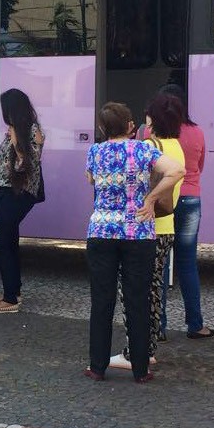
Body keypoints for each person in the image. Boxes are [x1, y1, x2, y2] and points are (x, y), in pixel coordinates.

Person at [83, 102, 182, 383]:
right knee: (137, 298)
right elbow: (175, 171)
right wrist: (150, 199)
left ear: (102, 128)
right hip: (138, 233)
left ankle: (97, 366)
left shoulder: (95, 151)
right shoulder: (143, 149)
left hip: (101, 231)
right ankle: (140, 369)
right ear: (130, 126)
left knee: (101, 300)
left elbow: (90, 180)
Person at [112, 92, 185, 370]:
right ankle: (148, 348)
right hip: (167, 228)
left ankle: (135, 352)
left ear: (152, 118)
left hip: (146, 226)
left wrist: (149, 199)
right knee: (153, 289)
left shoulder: (149, 146)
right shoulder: (176, 146)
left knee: (134, 290)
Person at [0, 89, 44, 314]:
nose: (3, 113)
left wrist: (16, 143)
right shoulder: (12, 131)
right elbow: (5, 164)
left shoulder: (32, 131)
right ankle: (13, 291)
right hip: (3, 190)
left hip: (19, 193)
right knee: (9, 240)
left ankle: (10, 299)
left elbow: (27, 165)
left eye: (6, 108)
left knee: (1, 243)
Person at [157, 84, 213, 339]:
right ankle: (195, 324)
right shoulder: (198, 132)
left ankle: (158, 327)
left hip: (162, 201)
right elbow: (200, 166)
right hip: (190, 199)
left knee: (159, 264)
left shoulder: (151, 132)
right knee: (187, 263)